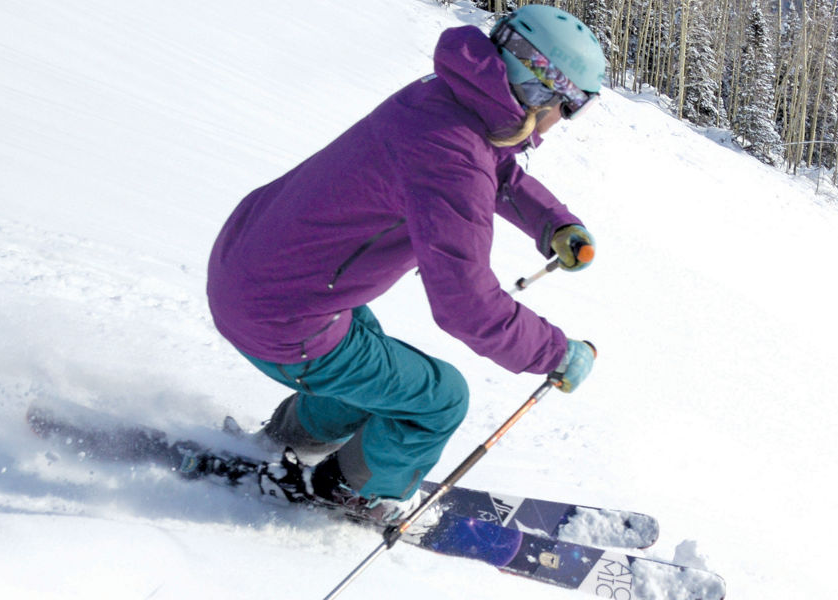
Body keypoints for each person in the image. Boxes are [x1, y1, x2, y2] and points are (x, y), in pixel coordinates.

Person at [205, 6, 608, 522]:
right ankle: (354, 494)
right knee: (440, 399)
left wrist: (552, 223)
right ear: (539, 90)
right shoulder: (453, 158)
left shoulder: (445, 97)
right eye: (570, 108)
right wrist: (555, 352)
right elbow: (465, 305)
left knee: (375, 363)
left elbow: (495, 168)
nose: (564, 122)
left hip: (254, 266)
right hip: (283, 316)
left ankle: (287, 442)